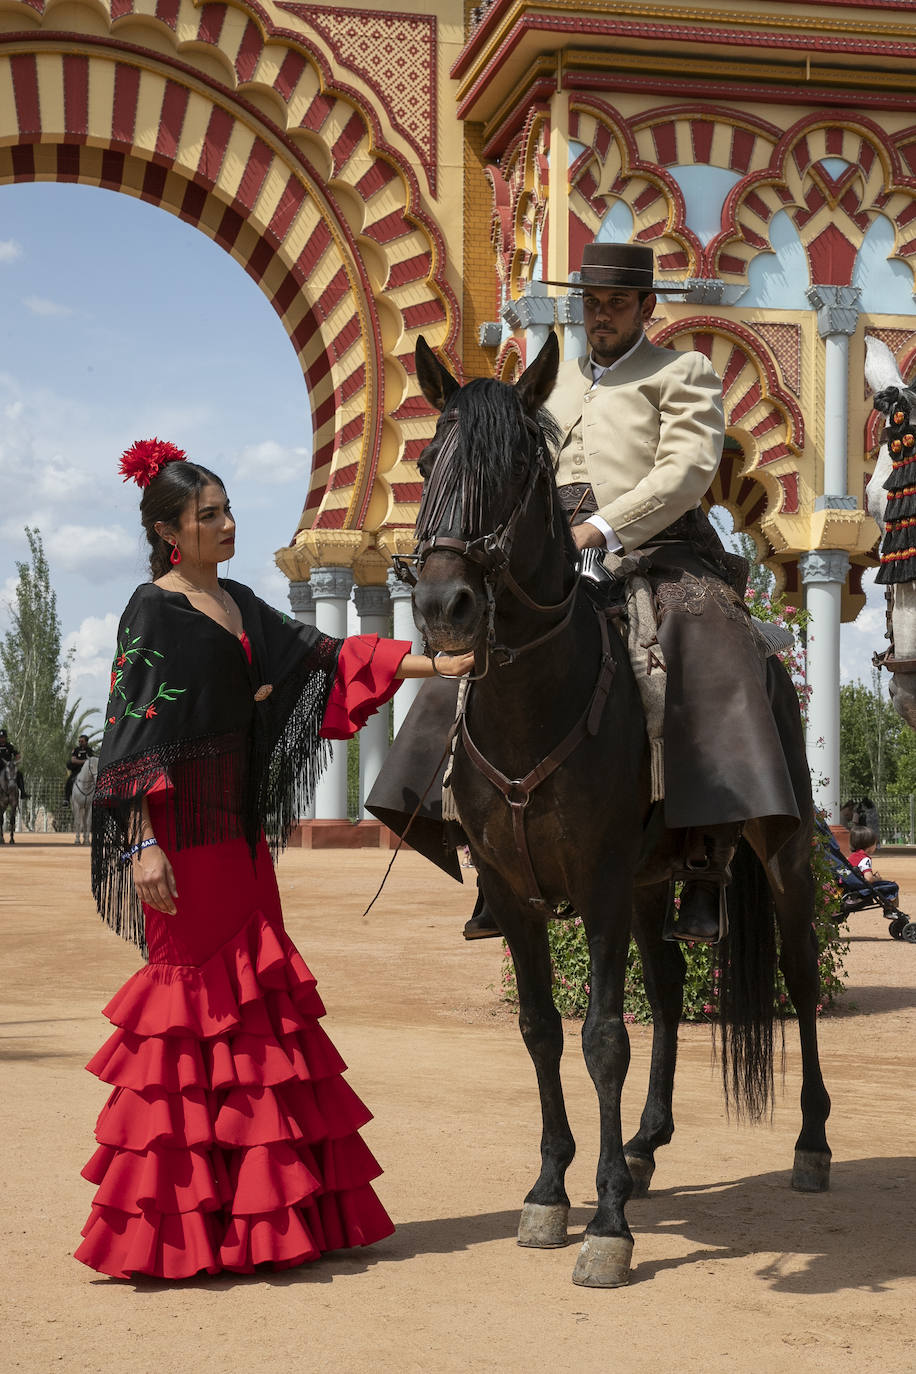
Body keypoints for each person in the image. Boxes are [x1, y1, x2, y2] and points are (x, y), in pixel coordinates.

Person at [76, 438, 472, 1280]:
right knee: (188, 1020)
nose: (227, 524)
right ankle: (176, 1230)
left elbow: (327, 656)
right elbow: (132, 732)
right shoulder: (153, 609)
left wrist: (438, 663)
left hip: (241, 839)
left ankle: (268, 1221)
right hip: (181, 839)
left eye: (226, 509)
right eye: (207, 515)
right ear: (166, 532)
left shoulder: (241, 602)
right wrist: (143, 843)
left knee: (257, 1012)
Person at [538, 241, 801, 942]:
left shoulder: (683, 373)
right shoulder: (555, 384)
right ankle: (473, 830)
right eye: (592, 303)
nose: (601, 316)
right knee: (479, 645)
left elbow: (685, 472)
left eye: (616, 304)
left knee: (715, 645)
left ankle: (710, 860)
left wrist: (598, 528)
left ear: (647, 307)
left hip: (661, 548)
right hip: (555, 554)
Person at [847, 824, 900, 907]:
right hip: (862, 888)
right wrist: (877, 878)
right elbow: (869, 878)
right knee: (893, 886)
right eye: (875, 844)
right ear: (869, 845)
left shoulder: (852, 857)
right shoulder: (864, 859)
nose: (875, 846)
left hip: (851, 885)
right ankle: (890, 910)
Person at [65, 733, 94, 803]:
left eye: (82, 741)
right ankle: (66, 799)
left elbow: (91, 760)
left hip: (87, 770)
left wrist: (80, 761)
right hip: (77, 770)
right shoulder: (76, 750)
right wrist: (84, 761)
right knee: (69, 781)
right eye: (79, 741)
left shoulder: (89, 750)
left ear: (86, 742)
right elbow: (73, 760)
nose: (80, 743)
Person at [0, 728, 27, 798]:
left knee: (20, 774)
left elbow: (17, 755)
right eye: (0, 737)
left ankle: (23, 793)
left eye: (3, 737)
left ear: (6, 737)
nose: (2, 739)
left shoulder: (9, 746)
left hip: (8, 768)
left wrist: (16, 760)